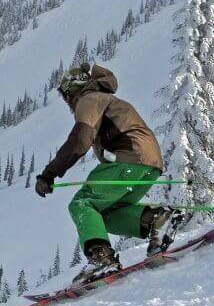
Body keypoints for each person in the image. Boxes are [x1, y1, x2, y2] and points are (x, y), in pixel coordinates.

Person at [34, 62, 176, 283]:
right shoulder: (104, 99)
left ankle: (102, 260)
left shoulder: (89, 100)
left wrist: (49, 174)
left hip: (129, 158)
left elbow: (79, 141)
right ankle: (157, 221)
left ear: (73, 89)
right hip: (148, 164)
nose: (67, 102)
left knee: (83, 204)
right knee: (105, 213)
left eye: (66, 95)